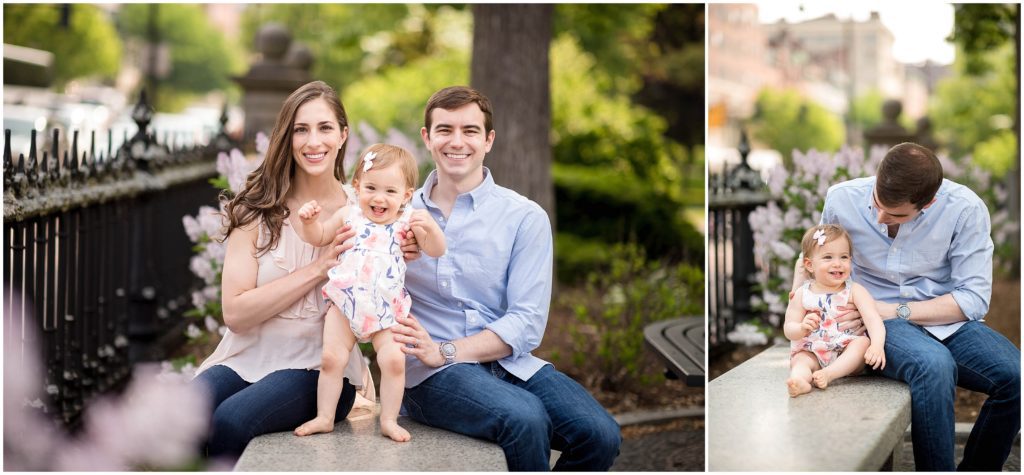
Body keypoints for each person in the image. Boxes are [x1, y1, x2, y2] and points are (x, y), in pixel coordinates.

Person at [389, 86, 622, 471]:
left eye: (470, 130)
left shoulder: (524, 217)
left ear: (489, 140)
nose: (457, 141)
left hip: (506, 361)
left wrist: (447, 350)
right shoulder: (394, 212)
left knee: (600, 435)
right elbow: (358, 278)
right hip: (428, 375)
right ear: (427, 138)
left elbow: (528, 322)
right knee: (525, 418)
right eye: (445, 130)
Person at [797, 142, 1020, 471]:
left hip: (945, 317)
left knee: (1016, 377)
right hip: (871, 321)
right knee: (934, 365)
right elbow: (812, 259)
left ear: (928, 202)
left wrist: (896, 310)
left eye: (896, 213)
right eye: (877, 203)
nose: (881, 217)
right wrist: (799, 307)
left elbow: (972, 298)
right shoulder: (842, 199)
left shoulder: (965, 210)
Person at [193, 80, 369, 459]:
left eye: (324, 128)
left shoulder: (361, 213)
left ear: (343, 135)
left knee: (232, 421)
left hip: (321, 369)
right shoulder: (257, 209)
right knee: (186, 412)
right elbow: (236, 314)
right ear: (286, 137)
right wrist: (318, 268)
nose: (313, 141)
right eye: (300, 129)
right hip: (247, 354)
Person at [292, 143, 446, 441]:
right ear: (357, 186)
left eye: (390, 191)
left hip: (386, 308)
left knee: (393, 361)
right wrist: (309, 221)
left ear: (406, 195)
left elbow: (436, 250)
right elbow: (319, 236)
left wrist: (431, 228)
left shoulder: (407, 221)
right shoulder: (348, 214)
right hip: (345, 303)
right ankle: (325, 416)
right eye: (371, 188)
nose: (379, 198)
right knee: (331, 359)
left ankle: (388, 419)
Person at [784, 224, 886, 398]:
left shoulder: (855, 291)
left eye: (844, 257)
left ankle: (829, 374)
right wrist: (801, 327)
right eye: (828, 257)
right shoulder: (802, 294)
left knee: (861, 344)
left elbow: (873, 319)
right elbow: (788, 328)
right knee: (800, 360)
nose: (837, 264)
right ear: (809, 264)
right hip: (813, 350)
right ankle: (799, 381)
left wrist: (877, 345)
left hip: (845, 353)